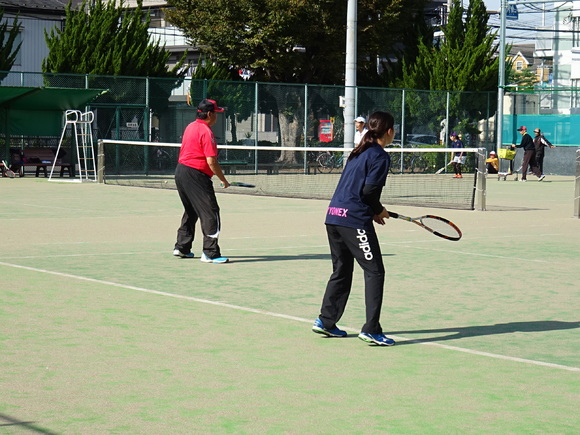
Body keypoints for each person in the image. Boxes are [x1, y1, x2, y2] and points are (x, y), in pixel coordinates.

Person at [312, 111, 396, 346]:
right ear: (389, 131)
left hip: (334, 217)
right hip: (353, 220)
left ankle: (326, 321)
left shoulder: (358, 152)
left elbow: (359, 191)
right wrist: (377, 209)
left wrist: (374, 210)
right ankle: (371, 329)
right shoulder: (379, 156)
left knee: (341, 271)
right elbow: (368, 193)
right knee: (375, 271)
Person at [173, 98, 231, 264]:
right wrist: (223, 180)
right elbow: (211, 161)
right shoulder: (206, 132)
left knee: (191, 211)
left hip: (181, 172)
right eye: (216, 113)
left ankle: (182, 247)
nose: (217, 117)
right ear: (209, 114)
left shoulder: (190, 127)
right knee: (211, 212)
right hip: (195, 175)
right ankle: (210, 253)